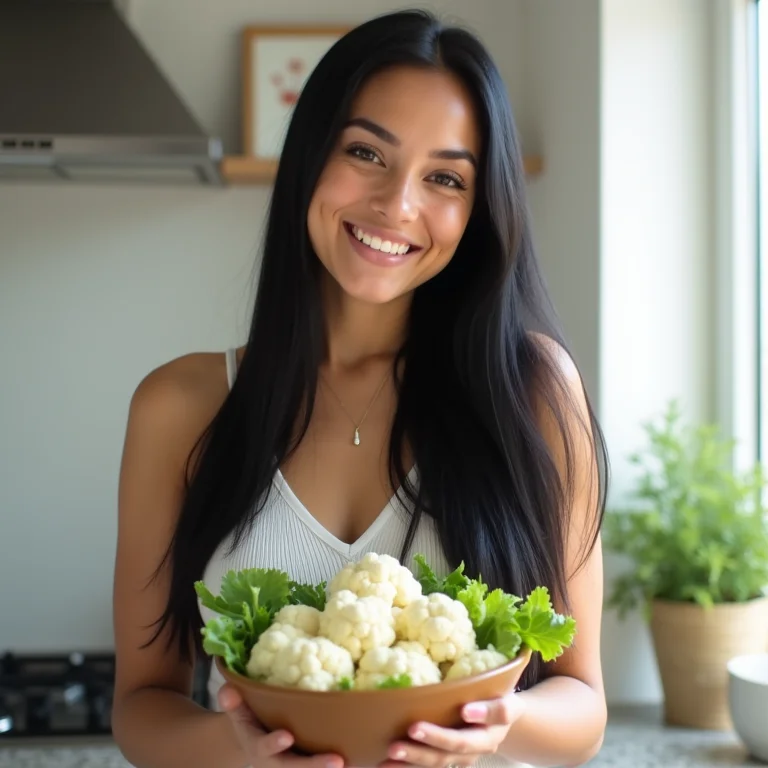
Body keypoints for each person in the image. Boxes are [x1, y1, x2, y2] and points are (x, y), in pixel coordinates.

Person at [111, 8, 609, 768]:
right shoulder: (181, 407)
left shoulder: (532, 392)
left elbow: (583, 705)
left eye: (445, 177)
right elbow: (142, 706)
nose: (396, 204)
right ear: (312, 155)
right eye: (367, 153)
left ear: (478, 210)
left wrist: (502, 718)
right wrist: (236, 744)